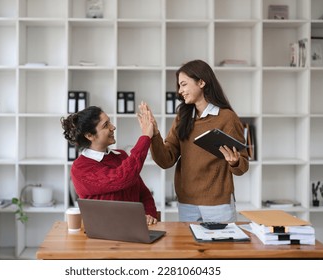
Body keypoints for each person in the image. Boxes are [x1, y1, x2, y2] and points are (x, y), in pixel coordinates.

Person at [140, 59, 249, 223]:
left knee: (221, 248)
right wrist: (154, 134)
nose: (180, 91)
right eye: (179, 86)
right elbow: (166, 160)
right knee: (190, 247)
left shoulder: (227, 118)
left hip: (218, 204)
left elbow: (243, 165)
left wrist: (234, 162)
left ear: (201, 82)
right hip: (186, 203)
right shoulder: (183, 118)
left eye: (184, 84)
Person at [61, 106, 158, 225]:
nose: (113, 127)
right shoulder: (80, 168)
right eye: (106, 125)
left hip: (134, 229)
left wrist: (150, 215)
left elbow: (143, 193)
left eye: (110, 122)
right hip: (103, 236)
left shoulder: (121, 156)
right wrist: (145, 137)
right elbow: (121, 178)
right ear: (89, 135)